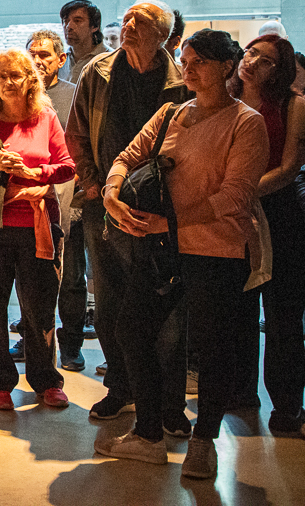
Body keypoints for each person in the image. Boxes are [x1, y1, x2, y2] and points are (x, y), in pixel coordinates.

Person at [97, 29, 268, 479]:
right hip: (163, 248)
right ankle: (149, 433)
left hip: (218, 251)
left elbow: (234, 196)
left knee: (212, 348)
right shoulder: (172, 111)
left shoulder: (246, 122)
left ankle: (203, 440)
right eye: (185, 60)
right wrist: (113, 194)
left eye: (199, 63)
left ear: (227, 66)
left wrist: (169, 221)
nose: (188, 70)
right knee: (132, 329)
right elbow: (127, 156)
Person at [66, 0, 189, 424]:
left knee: (168, 311)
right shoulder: (96, 73)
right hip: (105, 204)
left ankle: (171, 406)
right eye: (128, 18)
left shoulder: (181, 81)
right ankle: (120, 388)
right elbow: (77, 133)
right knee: (111, 307)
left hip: (163, 211)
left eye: (142, 21)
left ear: (164, 35)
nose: (129, 25)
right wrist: (94, 187)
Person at [0, 49, 76, 410]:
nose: (7, 82)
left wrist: (40, 176)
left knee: (39, 307)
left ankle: (46, 381)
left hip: (37, 225)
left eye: (15, 75)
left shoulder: (46, 117)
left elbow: (68, 165)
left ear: (30, 80)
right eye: (1, 75)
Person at [232, 33, 305, 434]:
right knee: (238, 307)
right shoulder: (225, 102)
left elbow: (290, 166)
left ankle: (287, 404)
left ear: (280, 70)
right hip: (232, 215)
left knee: (282, 314)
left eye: (265, 60)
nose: (252, 62)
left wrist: (241, 192)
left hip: (278, 213)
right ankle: (242, 391)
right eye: (250, 53)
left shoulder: (294, 104)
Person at [9, 30, 85, 372]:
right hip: (26, 201)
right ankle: (30, 338)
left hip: (68, 195)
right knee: (30, 277)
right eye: (32, 54)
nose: (38, 61)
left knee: (69, 277)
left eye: (45, 55)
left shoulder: (73, 95)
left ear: (61, 59)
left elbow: (80, 147)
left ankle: (70, 346)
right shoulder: (15, 97)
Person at [60, 0, 109, 85]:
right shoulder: (59, 60)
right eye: (65, 21)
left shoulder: (111, 59)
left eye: (77, 21)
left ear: (95, 26)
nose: (69, 26)